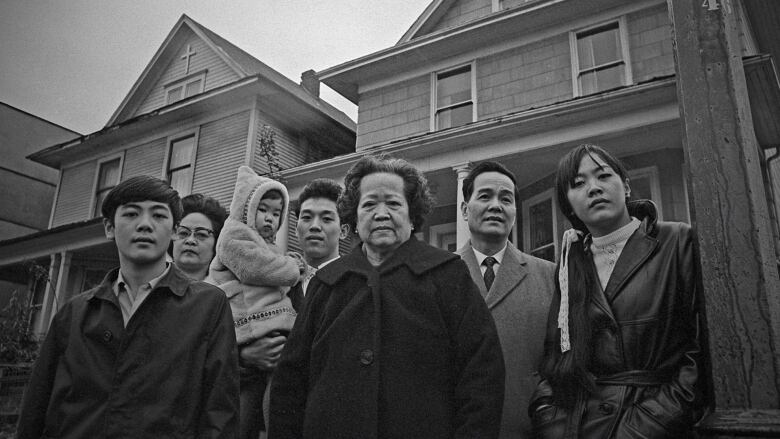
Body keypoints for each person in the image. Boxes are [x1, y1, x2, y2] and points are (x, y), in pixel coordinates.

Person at [269, 154, 505, 439]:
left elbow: (482, 376)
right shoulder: (326, 283)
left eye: (393, 203)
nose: (381, 214)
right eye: (369, 205)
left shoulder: (448, 275)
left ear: (412, 214)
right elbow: (290, 384)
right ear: (354, 218)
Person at [17, 175, 238, 438]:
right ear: (109, 227)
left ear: (175, 230)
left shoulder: (207, 305)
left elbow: (220, 413)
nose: (145, 225)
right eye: (131, 214)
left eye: (158, 216)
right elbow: (36, 409)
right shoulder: (74, 313)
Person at [529, 144, 705, 438]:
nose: (594, 188)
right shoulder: (570, 263)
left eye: (603, 176)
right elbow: (555, 357)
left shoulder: (676, 241)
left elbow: (700, 352)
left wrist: (642, 428)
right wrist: (549, 419)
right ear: (569, 205)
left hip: (654, 425)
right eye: (578, 183)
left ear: (625, 186)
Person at [457, 161, 556, 439]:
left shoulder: (549, 275)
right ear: (465, 210)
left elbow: (560, 361)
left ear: (514, 211)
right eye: (485, 196)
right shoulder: (439, 276)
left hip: (529, 427)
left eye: (506, 199)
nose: (496, 206)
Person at [207, 165, 305, 439]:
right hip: (249, 325)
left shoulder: (265, 243)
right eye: (264, 210)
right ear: (246, 208)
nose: (270, 219)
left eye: (277, 213)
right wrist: (293, 269)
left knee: (276, 388)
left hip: (267, 322)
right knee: (249, 400)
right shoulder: (234, 235)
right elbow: (256, 269)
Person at [288, 178, 349, 311]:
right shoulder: (280, 279)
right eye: (307, 218)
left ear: (343, 231)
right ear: (295, 229)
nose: (315, 226)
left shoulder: (356, 282)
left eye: (326, 219)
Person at [172, 193, 228, 281]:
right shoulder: (148, 285)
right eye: (183, 233)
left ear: (217, 243)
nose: (190, 240)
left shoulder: (225, 292)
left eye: (201, 234)